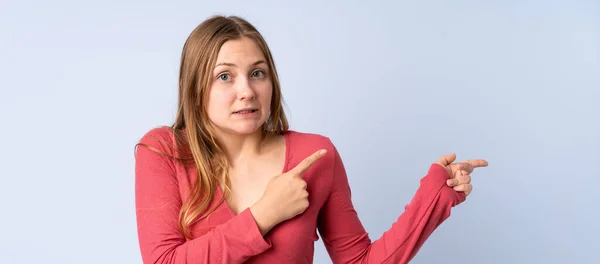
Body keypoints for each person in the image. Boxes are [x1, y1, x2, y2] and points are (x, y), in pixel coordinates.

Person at [134, 15, 488, 264]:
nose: (247, 91)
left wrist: (434, 198)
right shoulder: (162, 151)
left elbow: (360, 261)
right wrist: (264, 215)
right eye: (224, 76)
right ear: (194, 88)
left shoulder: (315, 155)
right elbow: (164, 260)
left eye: (257, 73)